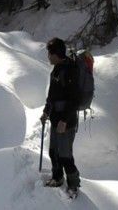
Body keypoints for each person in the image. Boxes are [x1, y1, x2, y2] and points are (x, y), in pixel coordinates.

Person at [40, 37, 80, 197]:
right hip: (56, 119)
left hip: (66, 121)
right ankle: (57, 178)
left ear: (56, 54)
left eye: (50, 54)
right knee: (53, 152)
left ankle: (73, 185)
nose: (48, 57)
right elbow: (51, 96)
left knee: (65, 155)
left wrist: (64, 120)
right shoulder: (56, 70)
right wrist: (45, 112)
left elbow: (74, 99)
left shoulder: (70, 70)